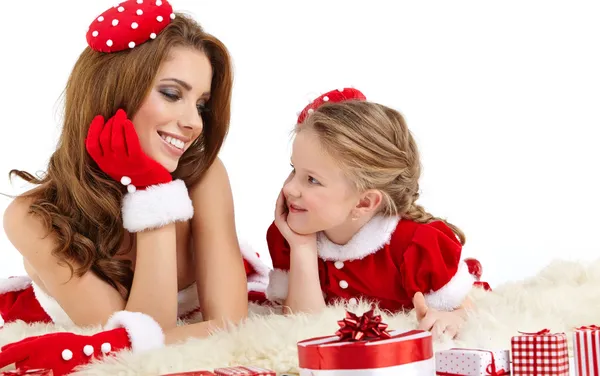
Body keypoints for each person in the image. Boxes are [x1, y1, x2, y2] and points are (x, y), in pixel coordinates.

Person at [0, 1, 270, 374]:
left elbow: (229, 327)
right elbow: (139, 348)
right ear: (113, 92)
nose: (193, 123)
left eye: (202, 105)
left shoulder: (205, 176)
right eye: (173, 94)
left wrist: (153, 189)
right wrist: (152, 193)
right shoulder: (31, 216)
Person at [264, 87, 489, 339]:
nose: (289, 188)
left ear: (364, 202)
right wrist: (302, 247)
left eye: (312, 180)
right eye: (294, 170)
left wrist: (452, 316)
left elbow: (466, 309)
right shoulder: (289, 235)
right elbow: (302, 329)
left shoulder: (416, 247)